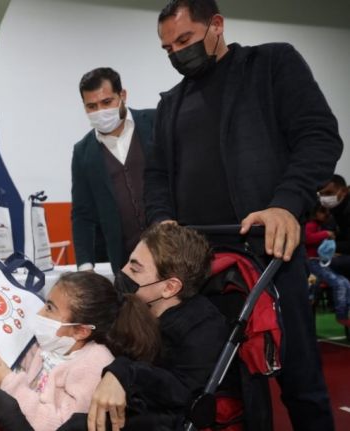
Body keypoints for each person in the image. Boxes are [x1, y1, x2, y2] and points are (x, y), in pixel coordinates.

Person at [144, 1, 342, 429]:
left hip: (269, 256)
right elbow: (157, 175)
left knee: (300, 382)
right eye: (168, 48)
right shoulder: (171, 104)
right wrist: (161, 220)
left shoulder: (270, 65)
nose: (177, 53)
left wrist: (285, 203)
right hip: (202, 267)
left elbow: (319, 136)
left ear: (216, 25)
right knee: (226, 389)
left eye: (185, 39)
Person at [64, 223, 226, 431]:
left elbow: (184, 392)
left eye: (134, 269)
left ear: (169, 287)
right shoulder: (130, 306)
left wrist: (126, 373)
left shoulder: (203, 327)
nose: (123, 272)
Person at [0, 272, 160, 431]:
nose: (40, 313)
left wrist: (8, 382)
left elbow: (57, 426)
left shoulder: (94, 363)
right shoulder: (46, 346)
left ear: (80, 331)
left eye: (50, 309)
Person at [71, 68, 155, 274]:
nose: (100, 111)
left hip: (175, 249)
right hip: (127, 263)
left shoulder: (155, 122)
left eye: (107, 102)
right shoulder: (83, 152)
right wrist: (85, 266)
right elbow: (82, 214)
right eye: (92, 106)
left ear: (122, 95)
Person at [306, 204, 350, 327]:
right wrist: (325, 234)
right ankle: (341, 315)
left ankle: (344, 313)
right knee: (340, 283)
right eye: (323, 212)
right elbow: (306, 238)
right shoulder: (311, 225)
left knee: (345, 282)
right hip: (312, 263)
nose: (326, 214)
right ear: (316, 213)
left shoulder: (320, 226)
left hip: (320, 262)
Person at [318, 175, 350, 278]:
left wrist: (334, 245)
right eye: (321, 194)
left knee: (332, 263)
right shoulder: (336, 210)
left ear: (344, 191)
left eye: (329, 193)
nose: (324, 198)